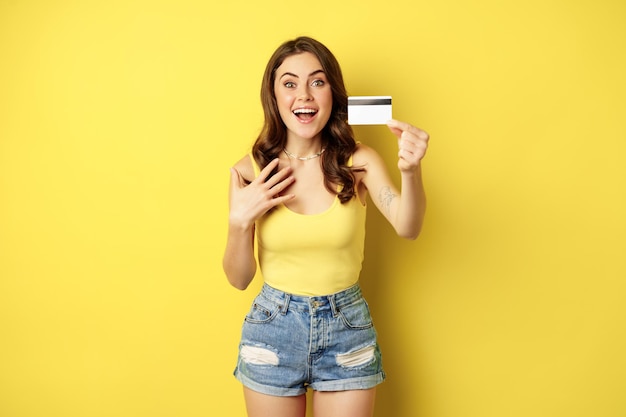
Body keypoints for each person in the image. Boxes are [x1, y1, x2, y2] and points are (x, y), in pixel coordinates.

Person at [222, 36, 429, 417]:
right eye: (289, 83)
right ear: (274, 96)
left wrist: (411, 171)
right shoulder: (249, 170)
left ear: (333, 92)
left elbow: (407, 226)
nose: (304, 95)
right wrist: (239, 222)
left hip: (346, 329)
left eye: (317, 82)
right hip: (272, 329)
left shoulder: (358, 161)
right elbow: (238, 278)